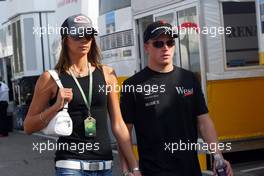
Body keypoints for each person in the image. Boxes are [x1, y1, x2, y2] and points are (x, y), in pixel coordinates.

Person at [24, 14, 141, 176]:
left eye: (89, 35)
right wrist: (56, 107)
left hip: (104, 165)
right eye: (78, 35)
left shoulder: (107, 74)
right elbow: (28, 126)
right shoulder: (50, 78)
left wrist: (134, 167)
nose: (84, 40)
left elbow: (119, 125)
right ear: (65, 39)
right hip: (70, 166)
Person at [119, 21, 233, 176]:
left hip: (190, 170)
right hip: (153, 171)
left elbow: (204, 121)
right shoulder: (133, 85)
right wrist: (128, 170)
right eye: (158, 44)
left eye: (170, 42)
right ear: (146, 47)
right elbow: (124, 132)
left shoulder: (189, 78)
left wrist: (218, 157)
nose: (165, 48)